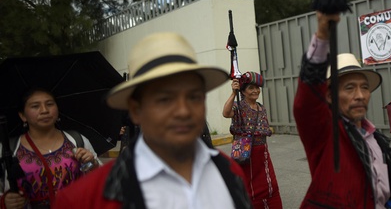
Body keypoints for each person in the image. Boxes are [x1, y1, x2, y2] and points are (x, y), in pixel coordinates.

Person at [52, 32, 251, 208]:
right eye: (164, 99)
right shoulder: (83, 200)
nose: (183, 111)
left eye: (193, 97)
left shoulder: (229, 172)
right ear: (136, 111)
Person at [293, 11, 391, 208]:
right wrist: (322, 37)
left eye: (364, 87)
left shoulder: (376, 138)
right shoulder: (326, 135)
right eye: (349, 88)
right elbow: (306, 104)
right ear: (329, 96)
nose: (360, 95)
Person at [1, 88, 100, 209]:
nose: (44, 110)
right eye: (35, 106)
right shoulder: (8, 149)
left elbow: (102, 179)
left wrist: (93, 164)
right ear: (23, 116)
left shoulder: (77, 140)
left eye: (49, 104)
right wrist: (5, 201)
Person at [222, 71, 282, 208]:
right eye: (251, 88)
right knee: (249, 186)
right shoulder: (238, 106)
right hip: (245, 154)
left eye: (257, 88)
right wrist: (233, 93)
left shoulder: (261, 108)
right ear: (242, 91)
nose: (255, 91)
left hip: (263, 154)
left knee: (269, 184)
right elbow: (226, 113)